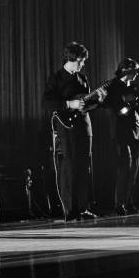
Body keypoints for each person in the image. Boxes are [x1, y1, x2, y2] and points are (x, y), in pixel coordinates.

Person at [42, 42, 101, 221]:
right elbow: (46, 103)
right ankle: (70, 210)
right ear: (72, 59)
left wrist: (97, 100)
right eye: (81, 61)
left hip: (84, 125)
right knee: (69, 167)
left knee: (85, 167)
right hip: (66, 127)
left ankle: (83, 208)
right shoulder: (56, 78)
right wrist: (69, 104)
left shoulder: (82, 78)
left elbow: (88, 104)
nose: (83, 64)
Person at [100, 57, 139, 216]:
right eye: (134, 70)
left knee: (133, 170)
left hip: (136, 131)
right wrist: (130, 98)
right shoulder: (114, 86)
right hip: (121, 131)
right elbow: (112, 105)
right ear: (126, 70)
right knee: (125, 168)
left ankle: (128, 203)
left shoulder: (132, 87)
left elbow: (138, 112)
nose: (137, 74)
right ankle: (120, 204)